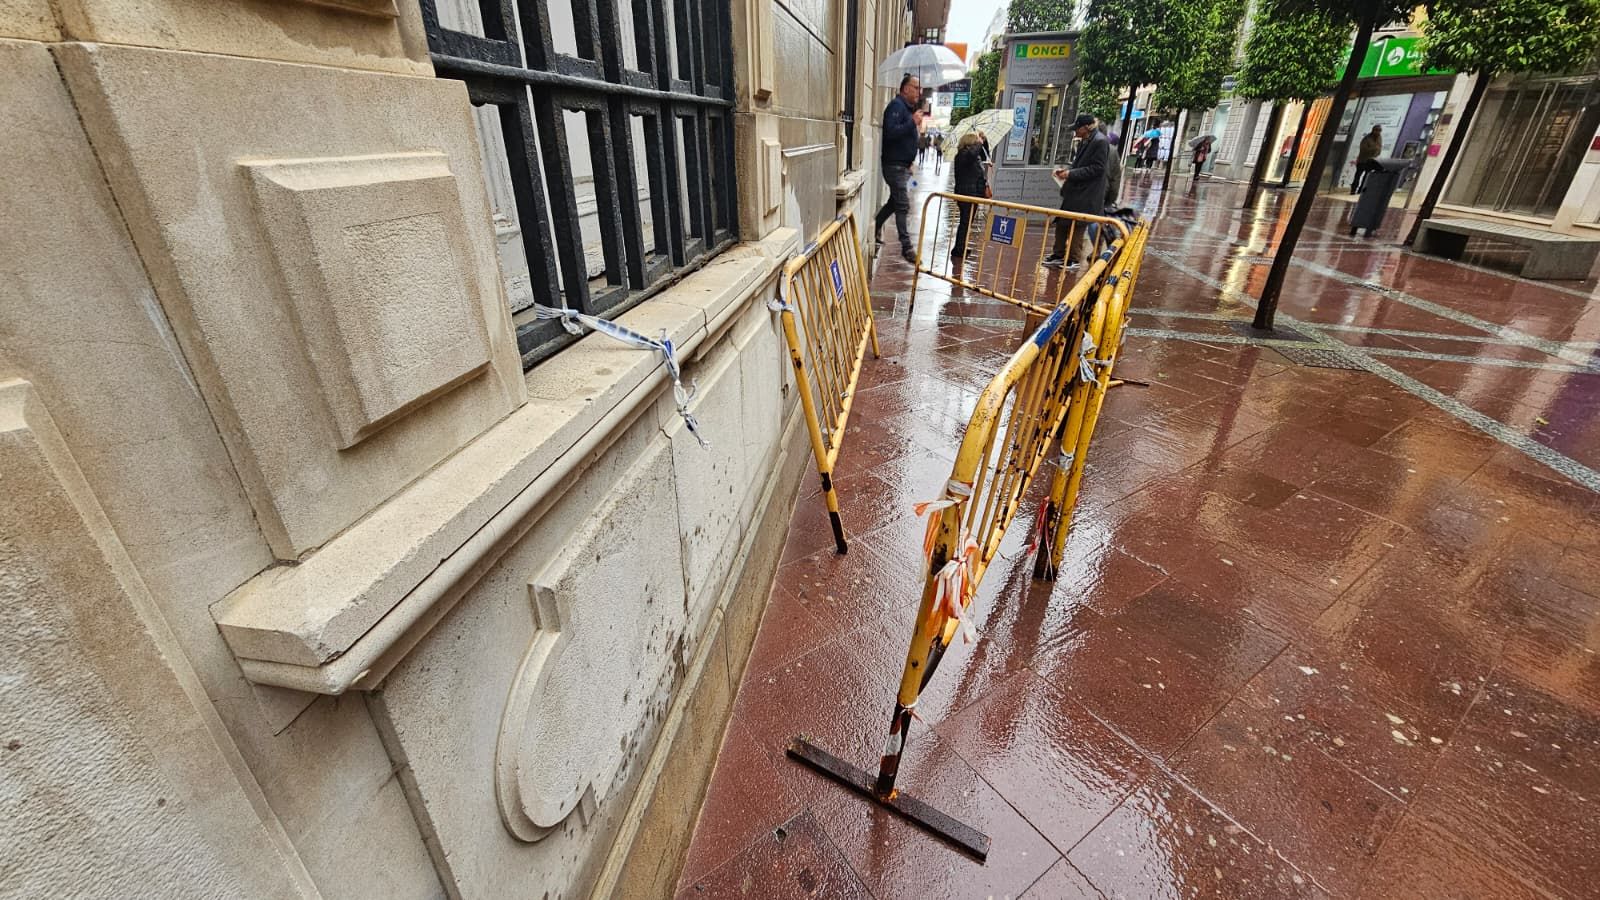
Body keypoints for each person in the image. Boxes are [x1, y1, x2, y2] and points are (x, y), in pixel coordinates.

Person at [1044, 114, 1108, 269]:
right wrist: (1066, 171)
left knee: (1077, 225)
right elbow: (1079, 164)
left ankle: (1073, 258)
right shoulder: (1085, 141)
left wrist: (1071, 174)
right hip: (1075, 191)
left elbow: (1098, 169)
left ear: (1086, 127)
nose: (1075, 132)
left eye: (1077, 128)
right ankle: (1058, 254)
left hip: (1086, 193)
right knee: (1062, 222)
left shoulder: (1099, 141)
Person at [874, 74, 923, 263]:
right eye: (916, 87)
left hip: (902, 166)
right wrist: (912, 122)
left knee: (895, 203)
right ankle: (907, 247)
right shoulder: (896, 107)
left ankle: (876, 224)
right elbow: (891, 132)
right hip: (894, 166)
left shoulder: (907, 110)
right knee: (903, 204)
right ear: (905, 89)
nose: (919, 91)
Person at [949, 133, 990, 270]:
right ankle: (959, 249)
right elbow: (973, 154)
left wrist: (984, 141)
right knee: (965, 222)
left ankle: (960, 247)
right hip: (967, 194)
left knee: (967, 222)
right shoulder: (963, 155)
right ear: (969, 144)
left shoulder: (971, 156)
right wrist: (978, 143)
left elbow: (983, 155)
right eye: (975, 143)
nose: (977, 145)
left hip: (973, 194)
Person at [1352, 125, 1383, 193]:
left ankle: (1361, 190)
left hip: (1371, 161)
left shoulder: (1379, 138)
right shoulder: (1367, 138)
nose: (1378, 132)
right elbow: (1363, 149)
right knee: (1358, 176)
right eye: (1376, 130)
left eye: (1379, 131)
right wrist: (1374, 149)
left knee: (1366, 177)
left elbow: (1379, 149)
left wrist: (1376, 152)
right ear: (1373, 130)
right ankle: (1353, 190)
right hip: (1362, 160)